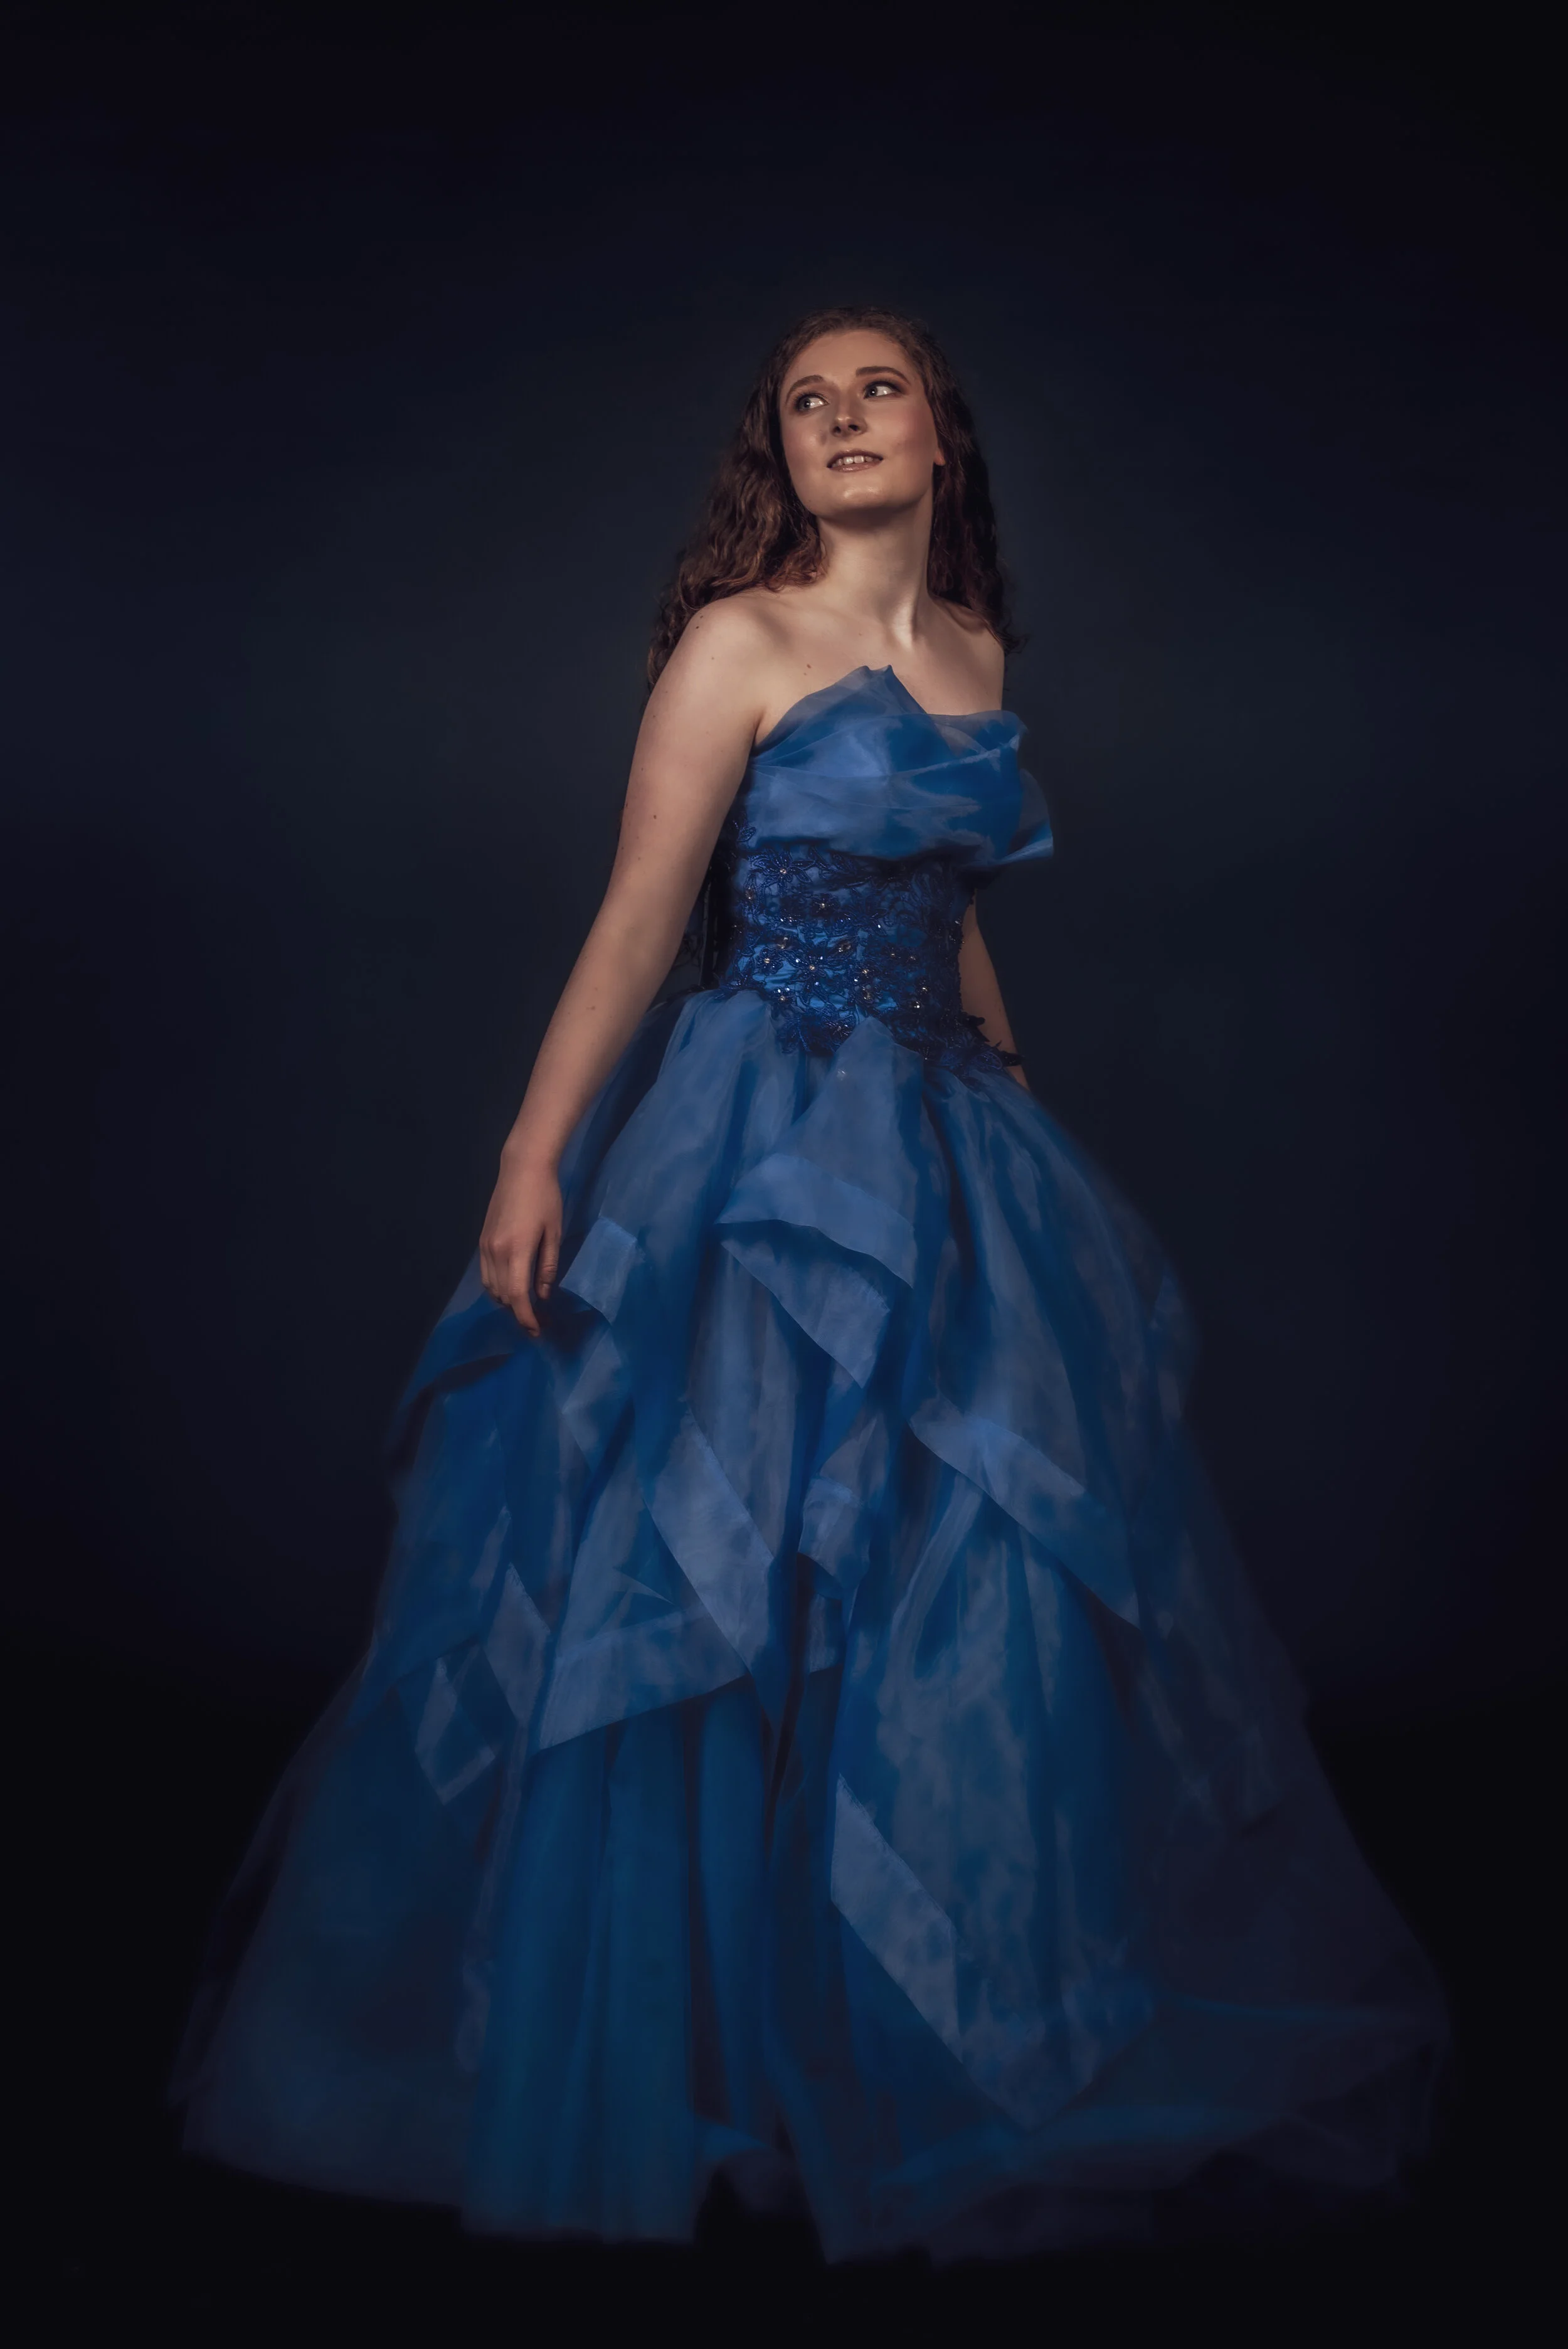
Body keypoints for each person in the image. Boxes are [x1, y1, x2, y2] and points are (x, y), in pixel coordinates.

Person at [176, 305, 1446, 2262]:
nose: (845, 415)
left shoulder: (974, 657)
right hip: (756, 1146)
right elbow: (636, 916)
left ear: (940, 435)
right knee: (717, 1587)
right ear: (776, 454)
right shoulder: (737, 644)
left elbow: (948, 927)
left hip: (941, 1146)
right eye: (806, 398)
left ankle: (872, 2052)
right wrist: (532, 1159)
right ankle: (684, 2063)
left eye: (879, 388)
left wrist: (1016, 1121)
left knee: (933, 1608)